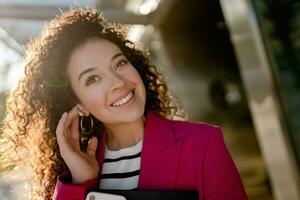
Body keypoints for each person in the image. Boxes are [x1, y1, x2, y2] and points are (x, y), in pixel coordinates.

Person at [0, 8, 247, 200]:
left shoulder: (203, 144)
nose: (118, 82)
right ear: (78, 103)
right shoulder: (74, 174)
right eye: (93, 79)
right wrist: (80, 180)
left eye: (119, 64)